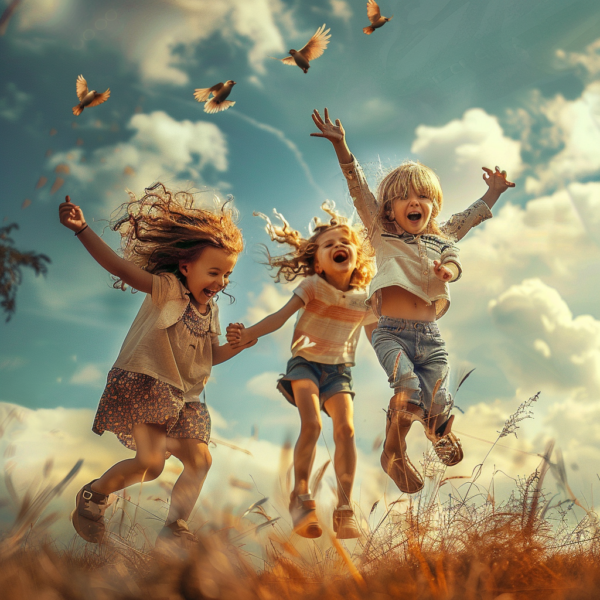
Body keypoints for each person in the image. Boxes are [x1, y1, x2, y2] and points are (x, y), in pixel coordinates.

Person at [311, 108, 515, 494]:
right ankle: (394, 453)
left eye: (423, 196)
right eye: (404, 197)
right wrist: (341, 146)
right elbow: (357, 188)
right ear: (389, 209)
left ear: (433, 205)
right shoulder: (380, 234)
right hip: (392, 333)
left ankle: (439, 432)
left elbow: (469, 218)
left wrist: (494, 191)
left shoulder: (444, 237)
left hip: (431, 338)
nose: (414, 202)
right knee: (407, 387)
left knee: (437, 400)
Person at [58, 183, 255, 545]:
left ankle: (174, 528)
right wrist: (82, 230)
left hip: (189, 396)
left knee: (201, 461)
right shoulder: (167, 288)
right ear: (186, 266)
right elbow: (120, 268)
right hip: (150, 381)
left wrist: (239, 346)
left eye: (226, 275)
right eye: (214, 272)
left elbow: (211, 355)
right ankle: (94, 494)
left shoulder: (211, 309)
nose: (221, 282)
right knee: (151, 464)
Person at [226, 203, 377, 539]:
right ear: (317, 264)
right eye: (328, 244)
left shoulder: (365, 299)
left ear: (357, 255)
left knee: (347, 431)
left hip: (339, 371)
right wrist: (250, 333)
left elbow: (376, 336)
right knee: (311, 423)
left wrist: (397, 368)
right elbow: (279, 317)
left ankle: (344, 508)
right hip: (304, 364)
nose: (338, 246)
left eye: (345, 241)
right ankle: (302, 497)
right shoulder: (311, 286)